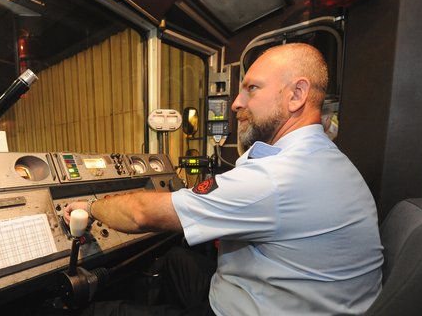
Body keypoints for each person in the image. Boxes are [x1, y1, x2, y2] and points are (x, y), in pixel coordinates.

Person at [64, 43, 384, 315]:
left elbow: (141, 213)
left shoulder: (277, 178)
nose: (235, 103)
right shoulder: (329, 158)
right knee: (176, 258)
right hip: (283, 299)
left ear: (297, 94)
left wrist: (91, 206)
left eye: (252, 89)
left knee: (100, 311)